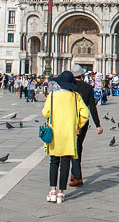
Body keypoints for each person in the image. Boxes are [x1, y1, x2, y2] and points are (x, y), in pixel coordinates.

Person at [43, 70, 90, 204]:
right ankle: (61, 194)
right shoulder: (76, 97)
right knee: (65, 163)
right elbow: (85, 114)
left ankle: (52, 191)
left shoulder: (52, 96)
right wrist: (77, 125)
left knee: (53, 162)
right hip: (69, 135)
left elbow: (45, 112)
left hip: (54, 134)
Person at [69, 64, 103, 187]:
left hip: (69, 121)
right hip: (83, 122)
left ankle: (77, 176)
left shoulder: (68, 87)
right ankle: (75, 173)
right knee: (78, 147)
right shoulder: (88, 88)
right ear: (82, 75)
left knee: (74, 148)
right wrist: (98, 125)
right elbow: (92, 108)